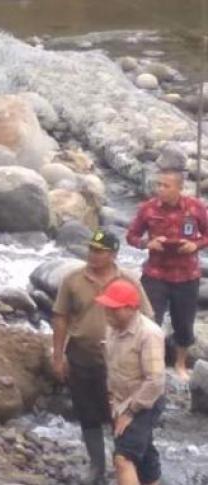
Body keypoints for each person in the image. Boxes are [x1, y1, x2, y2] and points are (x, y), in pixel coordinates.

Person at [52, 229, 153, 485]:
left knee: (121, 414)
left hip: (120, 364)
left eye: (99, 251)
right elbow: (60, 317)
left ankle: (127, 462)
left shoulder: (129, 281)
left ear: (114, 254)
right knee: (87, 413)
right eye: (91, 250)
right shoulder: (73, 279)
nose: (93, 255)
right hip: (83, 357)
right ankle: (97, 466)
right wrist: (58, 356)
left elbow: (147, 318)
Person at [127, 169, 208, 381]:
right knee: (148, 320)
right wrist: (147, 243)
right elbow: (131, 235)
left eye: (166, 186)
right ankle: (146, 364)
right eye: (158, 185)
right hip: (155, 274)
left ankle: (180, 364)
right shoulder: (148, 208)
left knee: (184, 323)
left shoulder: (195, 208)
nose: (160, 189)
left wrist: (195, 244)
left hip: (186, 275)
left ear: (180, 188)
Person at [96, 279, 166, 485]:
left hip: (145, 400)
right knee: (144, 457)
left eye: (114, 309)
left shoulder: (149, 333)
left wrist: (130, 412)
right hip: (121, 399)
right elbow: (112, 366)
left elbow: (155, 381)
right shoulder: (112, 329)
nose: (108, 313)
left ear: (131, 308)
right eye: (107, 308)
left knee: (123, 458)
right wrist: (112, 401)